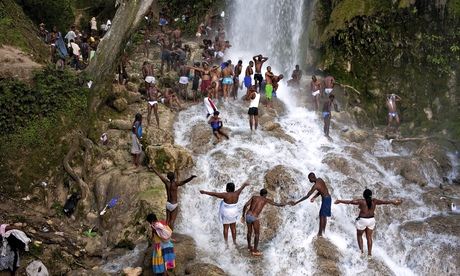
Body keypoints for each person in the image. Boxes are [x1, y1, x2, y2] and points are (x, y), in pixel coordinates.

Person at [335, 189, 402, 256]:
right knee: (369, 237)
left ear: (364, 195)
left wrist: (340, 201)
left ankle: (361, 252)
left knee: (359, 235)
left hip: (363, 220)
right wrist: (393, 202)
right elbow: (384, 202)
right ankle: (369, 254)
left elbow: (350, 202)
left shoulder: (361, 201)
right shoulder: (374, 201)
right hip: (371, 220)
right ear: (371, 195)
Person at [242, 188, 288, 256]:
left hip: (248, 215)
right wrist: (287, 203)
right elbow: (278, 204)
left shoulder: (254, 197)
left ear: (260, 193)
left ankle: (249, 247)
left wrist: (243, 215)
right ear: (265, 194)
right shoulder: (265, 200)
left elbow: (245, 205)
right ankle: (255, 250)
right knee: (257, 234)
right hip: (254, 217)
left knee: (249, 232)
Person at [291, 172, 331, 237]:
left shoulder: (315, 186)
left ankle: (320, 234)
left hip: (326, 199)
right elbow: (322, 190)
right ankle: (323, 231)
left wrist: (296, 202)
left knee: (321, 216)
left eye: (309, 179)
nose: (309, 180)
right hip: (328, 198)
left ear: (312, 178)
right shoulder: (320, 180)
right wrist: (314, 197)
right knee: (324, 215)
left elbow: (307, 196)